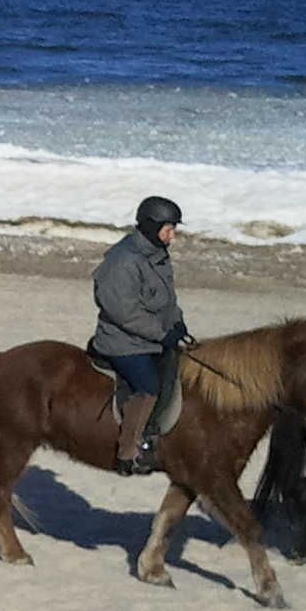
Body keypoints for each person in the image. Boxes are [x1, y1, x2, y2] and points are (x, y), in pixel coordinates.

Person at [91, 196, 194, 474]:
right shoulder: (122, 261)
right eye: (169, 229)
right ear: (151, 226)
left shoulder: (157, 255)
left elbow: (167, 300)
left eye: (174, 229)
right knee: (149, 385)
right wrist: (162, 334)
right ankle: (128, 450)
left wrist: (178, 325)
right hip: (121, 341)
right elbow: (124, 313)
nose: (173, 236)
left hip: (150, 337)